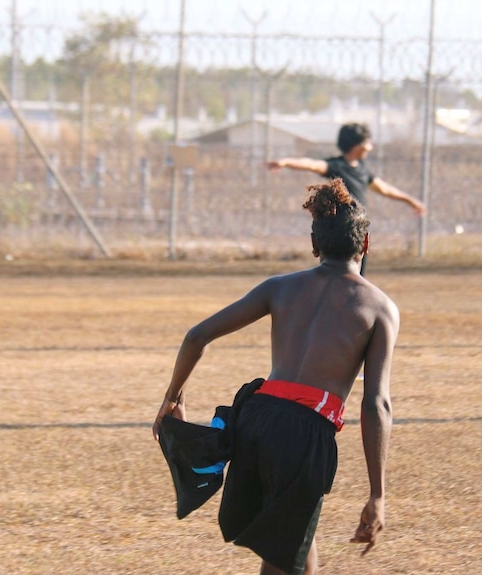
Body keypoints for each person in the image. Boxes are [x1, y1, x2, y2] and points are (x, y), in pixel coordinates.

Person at [152, 178, 399, 575]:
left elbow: (197, 336)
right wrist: (377, 494)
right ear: (365, 245)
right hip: (303, 434)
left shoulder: (279, 288)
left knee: (294, 541)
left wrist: (173, 397)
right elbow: (377, 403)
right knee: (283, 556)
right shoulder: (379, 308)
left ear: (314, 245)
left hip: (256, 420)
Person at [267, 122, 426, 275]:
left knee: (357, 274)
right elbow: (311, 164)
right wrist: (285, 162)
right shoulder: (336, 166)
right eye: (368, 142)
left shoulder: (363, 170)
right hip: (338, 230)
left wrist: (410, 201)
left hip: (357, 229)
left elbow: (385, 189)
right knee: (336, 272)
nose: (370, 147)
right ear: (358, 145)